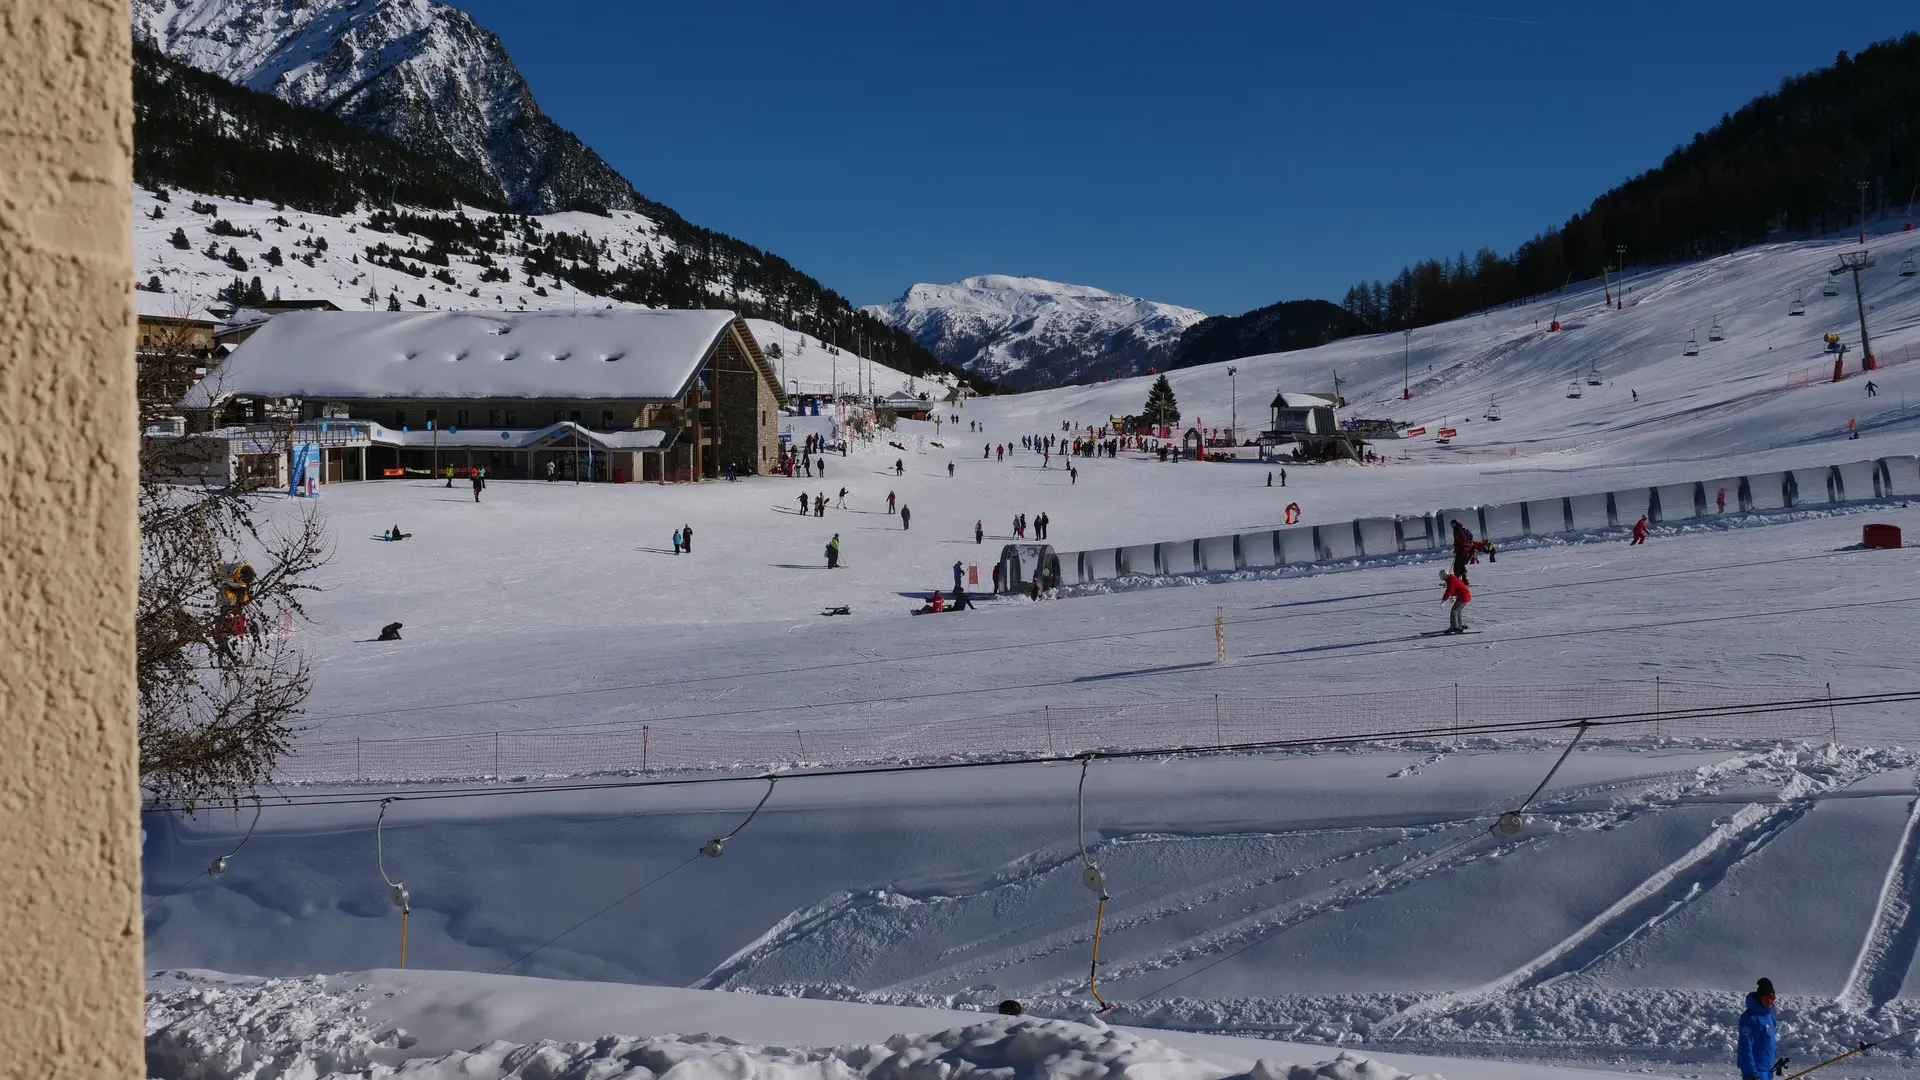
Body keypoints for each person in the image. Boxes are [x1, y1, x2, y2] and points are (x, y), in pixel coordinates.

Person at [1737, 978, 1779, 1080]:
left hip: (1767, 1072)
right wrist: (1752, 1074)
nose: (1770, 1001)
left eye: (1772, 998)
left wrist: (1773, 1065)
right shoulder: (1749, 1018)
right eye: (1766, 998)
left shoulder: (1770, 1017)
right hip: (1755, 1073)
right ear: (1760, 998)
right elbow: (1745, 1048)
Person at [1440, 569, 1472, 634]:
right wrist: (1453, 596)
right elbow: (1455, 588)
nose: (1444, 580)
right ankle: (1459, 625)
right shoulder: (1452, 578)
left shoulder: (1452, 580)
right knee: (1458, 611)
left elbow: (1449, 591)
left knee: (1454, 611)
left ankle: (1454, 627)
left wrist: (1444, 600)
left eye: (1443, 578)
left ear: (1445, 576)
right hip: (1464, 596)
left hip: (1463, 597)